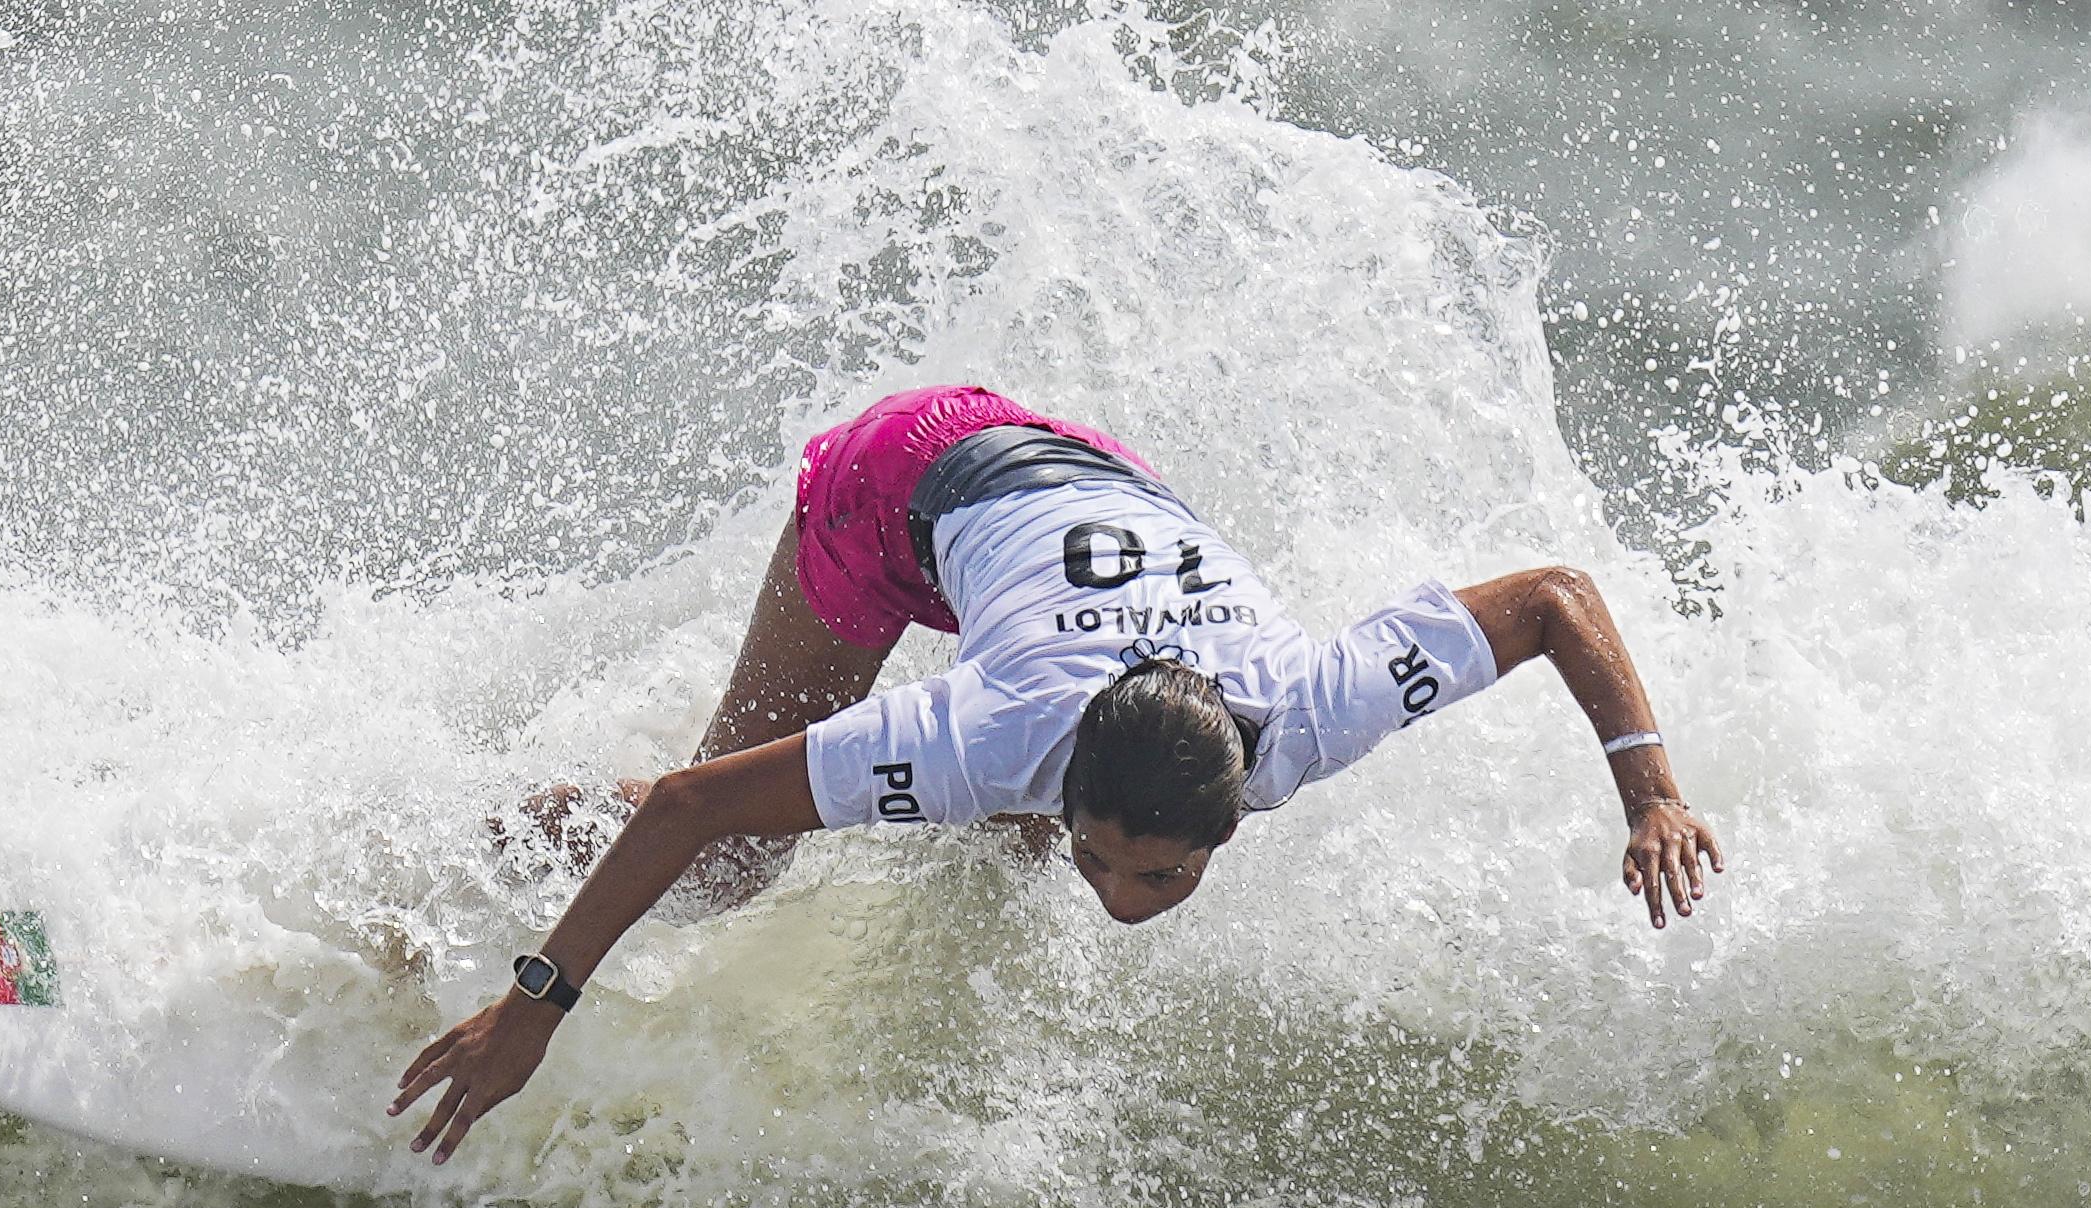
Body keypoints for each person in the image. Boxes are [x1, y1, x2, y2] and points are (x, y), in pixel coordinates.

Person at [393, 383, 1726, 1160]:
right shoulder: (990, 737)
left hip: (1077, 478)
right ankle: (456, 829)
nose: (1123, 897)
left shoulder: (1308, 715)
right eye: (1106, 856)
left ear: (1230, 816)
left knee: (1001, 848)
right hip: (897, 485)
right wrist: (539, 1000)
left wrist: (1649, 790)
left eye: (1152, 870)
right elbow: (694, 809)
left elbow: (1555, 596)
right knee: (740, 856)